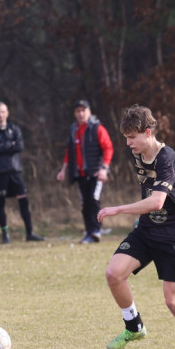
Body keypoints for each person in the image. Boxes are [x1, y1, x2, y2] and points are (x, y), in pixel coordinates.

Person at [97, 104, 175, 349]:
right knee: (114, 274)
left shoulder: (165, 156)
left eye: (132, 137)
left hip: (173, 235)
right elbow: (161, 184)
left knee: (172, 301)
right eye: (126, 137)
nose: (128, 143)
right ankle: (134, 326)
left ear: (148, 133)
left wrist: (117, 209)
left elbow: (157, 202)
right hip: (147, 230)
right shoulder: (139, 154)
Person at [0, 102, 44, 243]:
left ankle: (29, 233)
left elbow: (19, 146)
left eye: (2, 112)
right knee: (0, 203)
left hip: (15, 170)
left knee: (23, 200)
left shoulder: (14, 129)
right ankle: (5, 234)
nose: (0, 115)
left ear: (7, 113)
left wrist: (1, 145)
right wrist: (9, 144)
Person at [57, 99, 114, 243]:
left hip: (96, 173)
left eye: (83, 110)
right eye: (78, 111)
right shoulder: (73, 130)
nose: (81, 113)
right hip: (80, 174)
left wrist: (104, 168)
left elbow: (108, 148)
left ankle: (96, 231)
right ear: (74, 113)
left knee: (94, 200)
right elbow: (69, 152)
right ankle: (89, 232)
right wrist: (63, 170)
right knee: (85, 204)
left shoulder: (97, 128)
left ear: (89, 111)